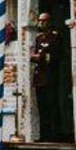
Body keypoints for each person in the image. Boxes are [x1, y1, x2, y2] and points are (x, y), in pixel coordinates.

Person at [30, 12, 67, 141]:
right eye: (40, 21)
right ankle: (43, 134)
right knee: (42, 108)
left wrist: (41, 57)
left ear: (49, 22)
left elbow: (57, 56)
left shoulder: (54, 37)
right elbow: (35, 54)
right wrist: (36, 57)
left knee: (52, 107)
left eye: (43, 21)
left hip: (50, 78)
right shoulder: (38, 38)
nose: (41, 23)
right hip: (40, 79)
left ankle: (54, 135)